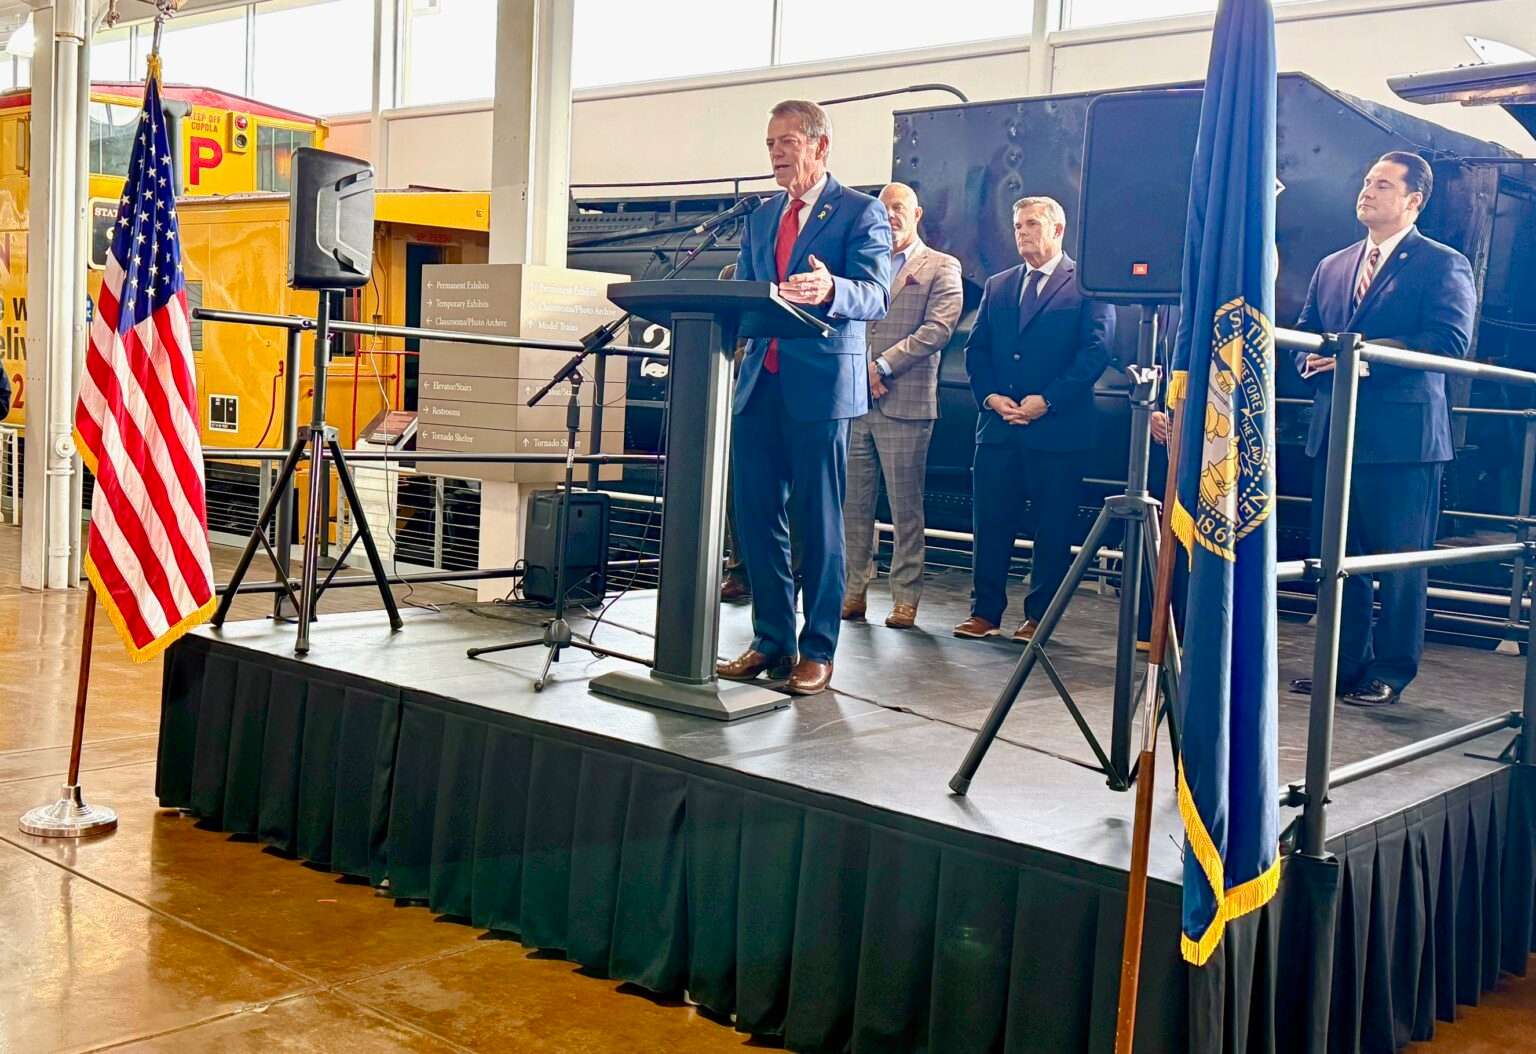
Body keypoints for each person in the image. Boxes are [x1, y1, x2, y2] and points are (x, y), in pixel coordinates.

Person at [715, 100, 892, 695]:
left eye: (786, 141)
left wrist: (830, 286)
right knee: (757, 521)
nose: (776, 152)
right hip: (758, 385)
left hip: (819, 391)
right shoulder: (762, 217)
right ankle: (771, 641)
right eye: (769, 143)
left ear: (820, 145)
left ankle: (817, 649)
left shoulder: (861, 213)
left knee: (818, 525)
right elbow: (747, 287)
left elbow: (874, 295)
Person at [1290, 150, 1475, 707]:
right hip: (1335, 435)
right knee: (1337, 565)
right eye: (1367, 181)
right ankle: (1341, 667)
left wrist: (1363, 356)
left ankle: (1391, 671)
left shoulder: (1443, 264)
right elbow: (1307, 333)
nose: (1367, 191)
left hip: (1403, 444)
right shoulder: (1333, 265)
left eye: (1383, 185)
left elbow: (1450, 344)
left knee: (1399, 567)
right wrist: (1309, 362)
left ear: (1414, 201)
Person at [953, 196, 1114, 642]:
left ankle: (1040, 616)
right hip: (999, 429)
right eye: (1017, 225)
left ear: (1057, 230)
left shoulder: (1087, 284)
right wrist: (989, 397)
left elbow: (1096, 352)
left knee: (1053, 526)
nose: (1022, 232)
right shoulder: (999, 285)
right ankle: (984, 612)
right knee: (990, 521)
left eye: (1031, 224)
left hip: (1059, 429)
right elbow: (977, 349)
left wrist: (1048, 400)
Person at [841, 182, 962, 630]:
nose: (889, 215)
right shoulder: (864, 264)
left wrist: (883, 367)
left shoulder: (941, 266)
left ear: (917, 214)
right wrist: (859, 371)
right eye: (883, 209)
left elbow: (938, 329)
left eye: (898, 208)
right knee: (854, 506)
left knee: (905, 508)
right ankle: (852, 591)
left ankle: (905, 598)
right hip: (856, 402)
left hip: (905, 404)